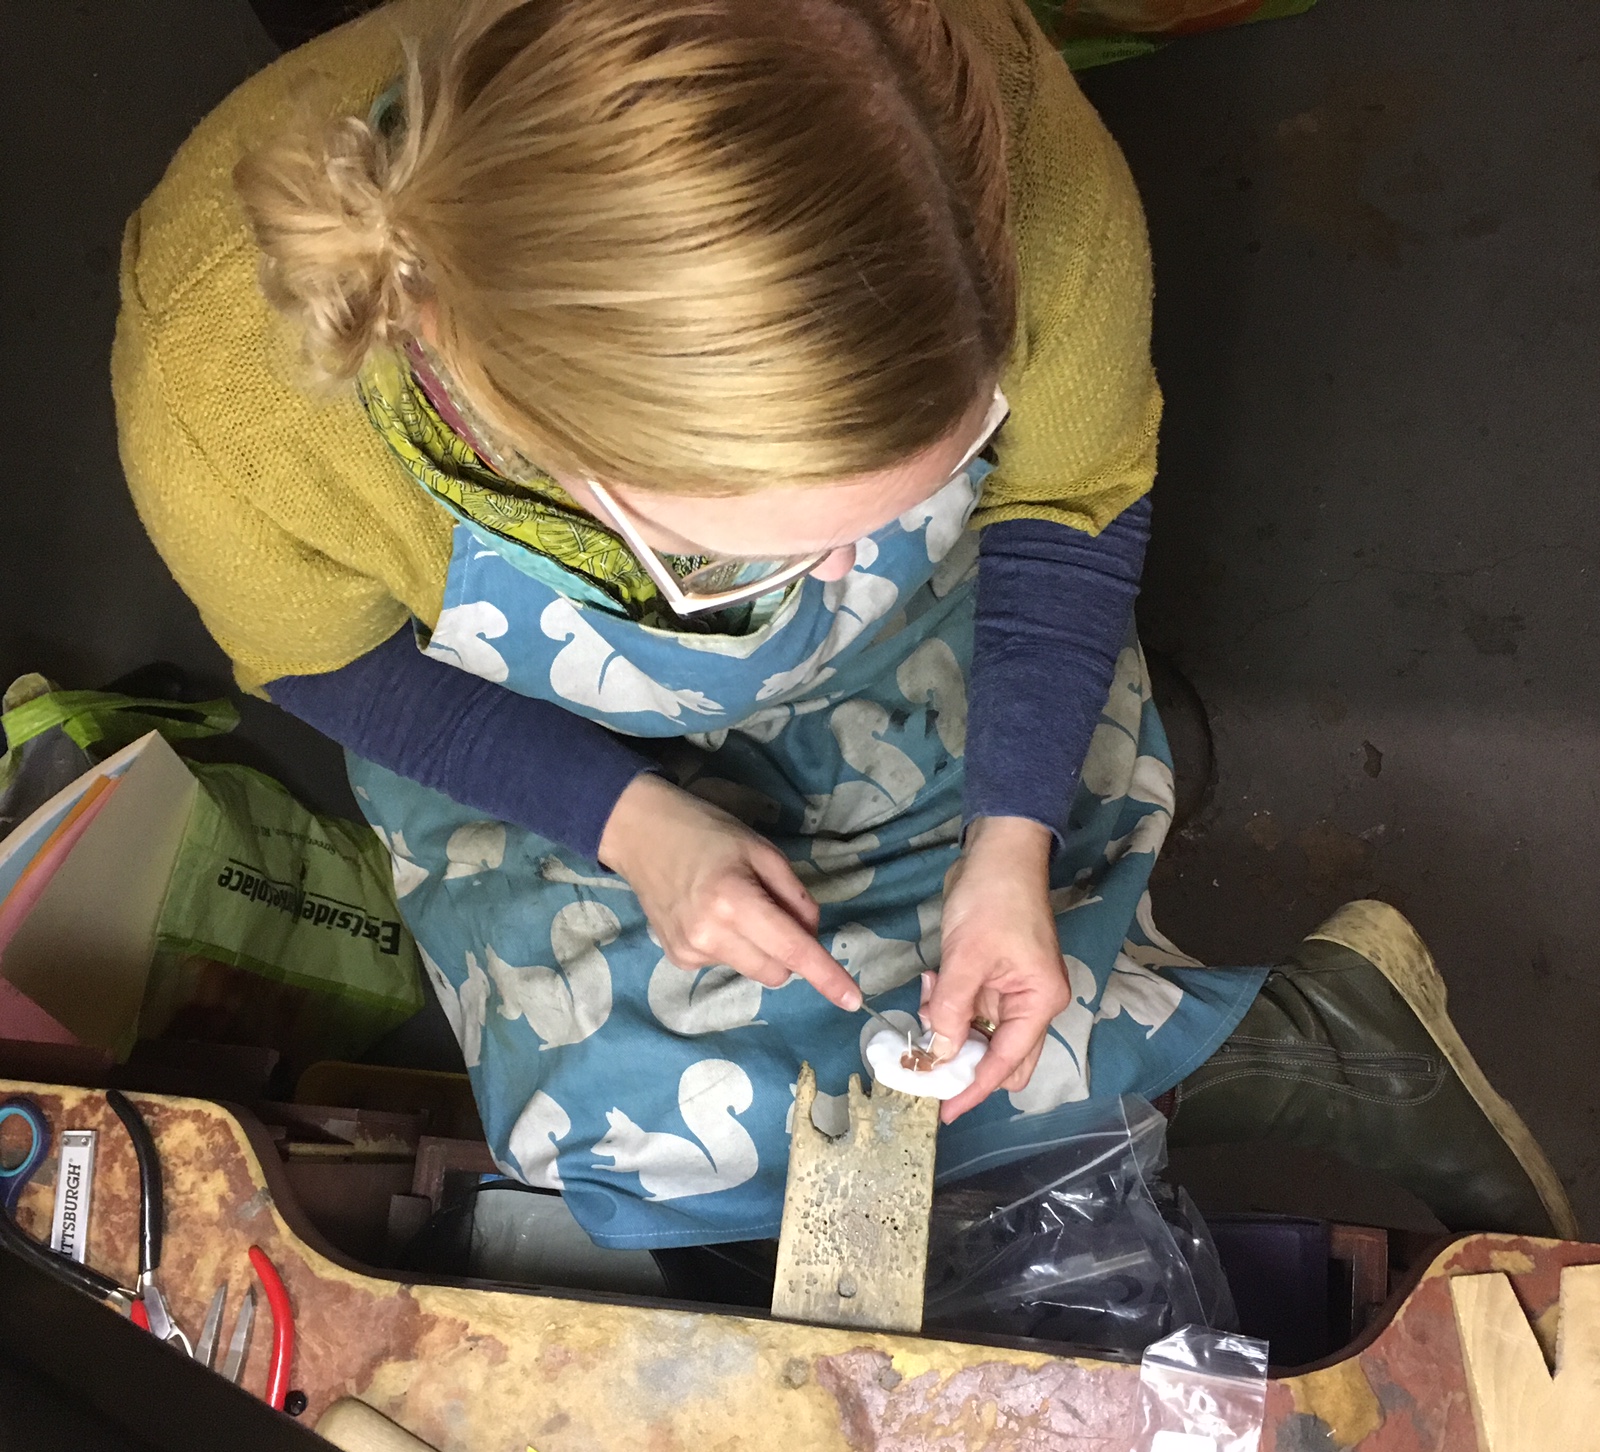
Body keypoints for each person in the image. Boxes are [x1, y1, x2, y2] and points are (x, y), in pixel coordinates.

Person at [113, 0, 1574, 1250]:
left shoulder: (975, 131)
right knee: (632, 1156)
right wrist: (629, 822)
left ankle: (1307, 1048)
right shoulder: (229, 392)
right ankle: (1253, 1048)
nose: (834, 575)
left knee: (977, 1010)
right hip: (516, 716)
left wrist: (1009, 834)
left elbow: (1066, 496)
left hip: (917, 633)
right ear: (522, 433)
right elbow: (328, 663)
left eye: (920, 486)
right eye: (733, 557)